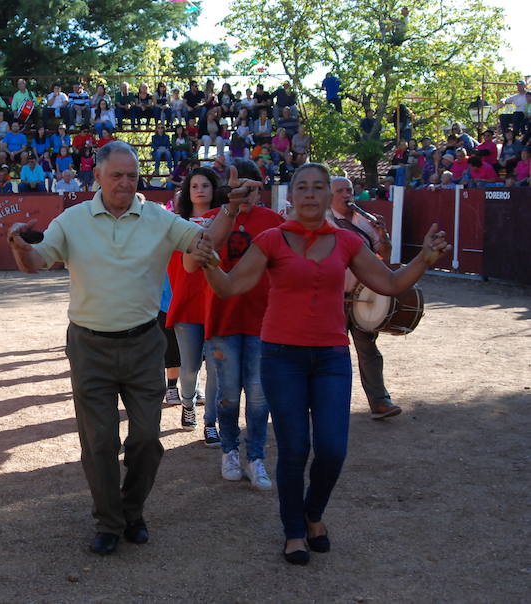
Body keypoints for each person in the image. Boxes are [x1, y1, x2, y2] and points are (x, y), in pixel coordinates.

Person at [192, 162, 451, 565]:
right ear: (291, 197)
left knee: (332, 450)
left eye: (318, 187)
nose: (310, 194)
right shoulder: (271, 239)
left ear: (328, 194)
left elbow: (391, 283)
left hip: (331, 356)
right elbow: (229, 286)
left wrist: (424, 259)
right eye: (303, 188)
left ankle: (314, 515)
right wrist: (209, 263)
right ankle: (294, 530)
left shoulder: (346, 242)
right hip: (281, 358)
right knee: (295, 448)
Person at [6, 141, 210, 555]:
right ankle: (110, 521)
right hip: (89, 346)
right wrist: (21, 248)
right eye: (116, 175)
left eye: (132, 175)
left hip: (144, 345)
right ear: (96, 177)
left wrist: (231, 213)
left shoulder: (158, 218)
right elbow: (38, 260)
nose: (124, 182)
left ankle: (132, 510)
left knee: (147, 440)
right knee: (99, 442)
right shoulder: (73, 220)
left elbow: (200, 242)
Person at [183, 158, 284, 486]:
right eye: (232, 186)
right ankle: (229, 449)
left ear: (257, 188)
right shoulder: (212, 219)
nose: (238, 192)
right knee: (227, 394)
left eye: (244, 186)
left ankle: (255, 457)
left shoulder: (274, 222)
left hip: (263, 321)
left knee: (258, 395)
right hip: (223, 320)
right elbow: (194, 262)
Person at [329, 177, 401, 419]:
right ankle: (328, 404)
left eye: (348, 190)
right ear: (329, 195)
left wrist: (385, 237)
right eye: (339, 190)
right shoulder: (324, 221)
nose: (346, 194)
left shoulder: (365, 222)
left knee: (369, 350)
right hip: (332, 297)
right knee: (331, 354)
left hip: (362, 297)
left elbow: (384, 256)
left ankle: (380, 402)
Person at [165, 167, 222, 439]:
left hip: (218, 303)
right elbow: (173, 265)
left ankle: (211, 422)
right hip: (188, 302)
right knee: (189, 367)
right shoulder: (176, 223)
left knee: (216, 368)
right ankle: (188, 403)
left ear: (214, 190)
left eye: (205, 185)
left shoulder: (226, 220)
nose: (200, 190)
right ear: (187, 192)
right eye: (194, 185)